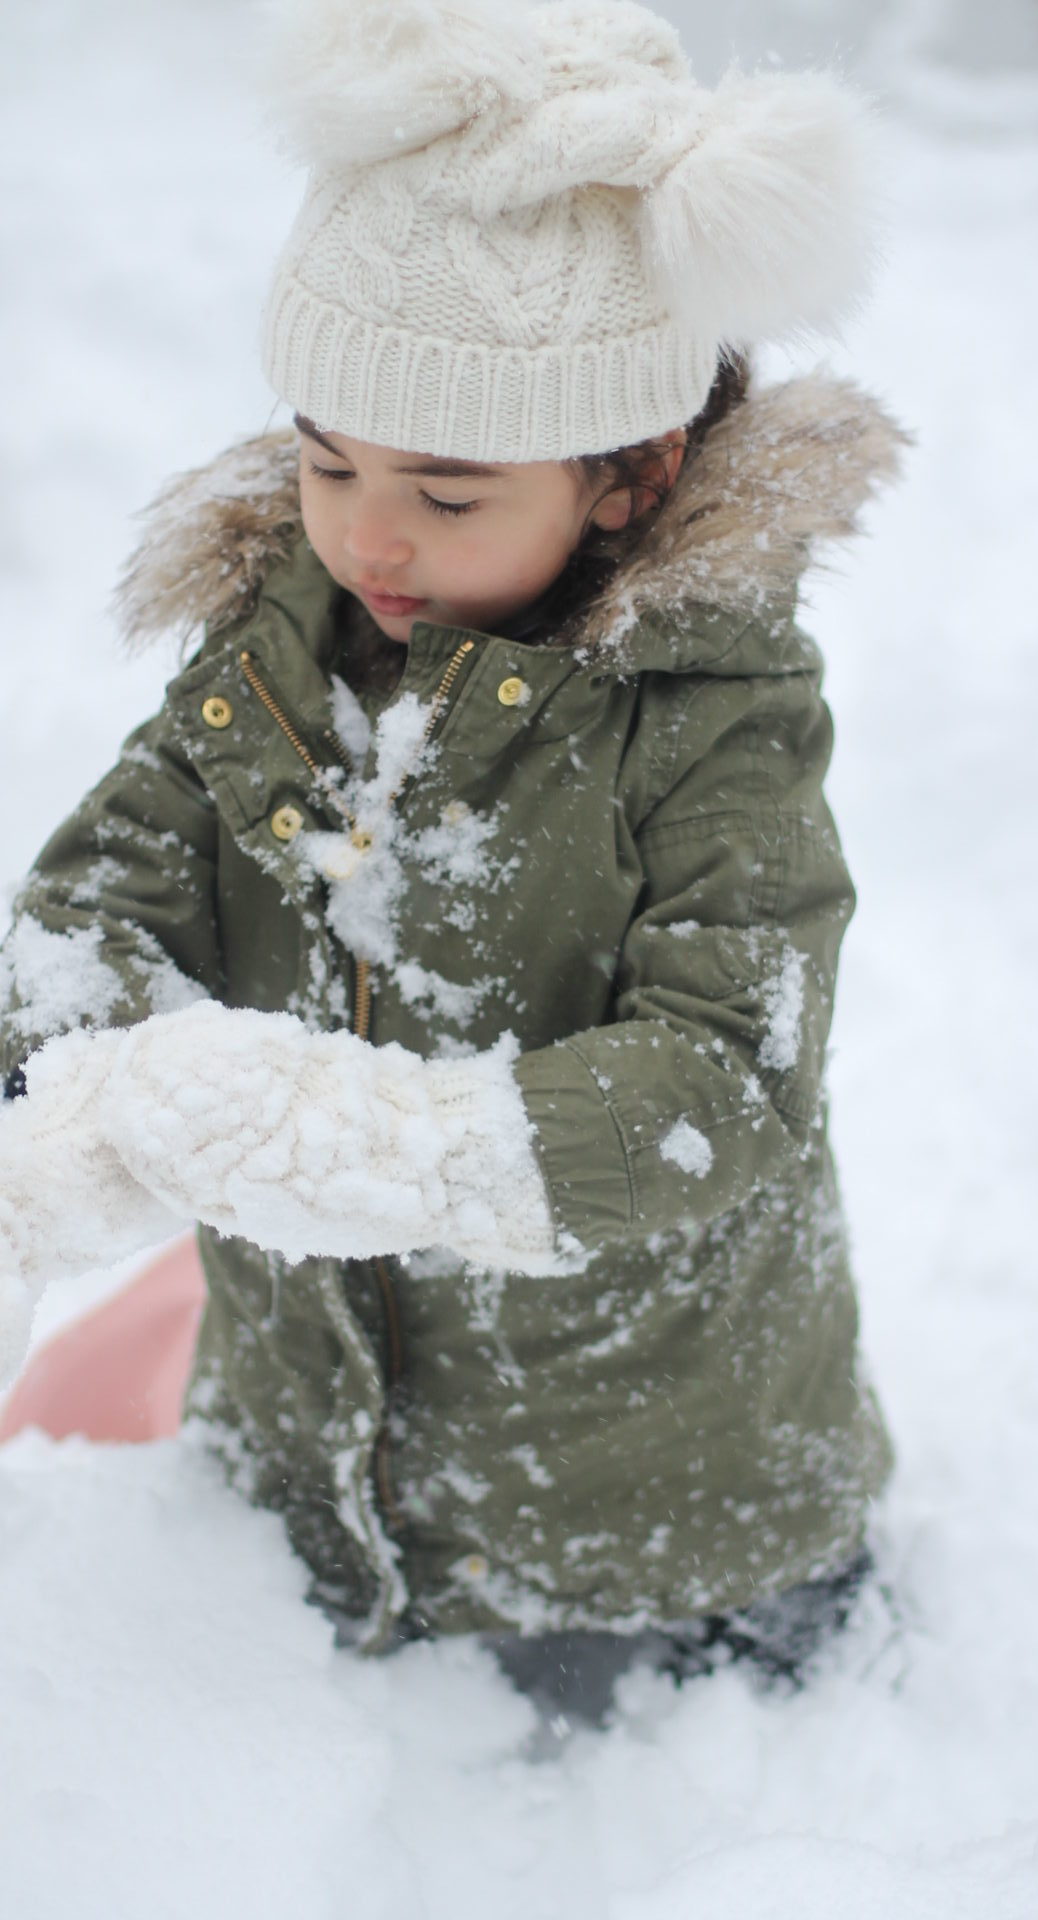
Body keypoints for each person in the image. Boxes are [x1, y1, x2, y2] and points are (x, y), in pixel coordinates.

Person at [0, 0, 904, 1717]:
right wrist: (60, 1103)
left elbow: (727, 1076)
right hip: (308, 1462)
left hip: (642, 1517)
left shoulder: (709, 725)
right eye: (326, 461)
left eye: (449, 486)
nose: (367, 533)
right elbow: (108, 898)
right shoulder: (274, 651)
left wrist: (381, 1139)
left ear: (629, 473)